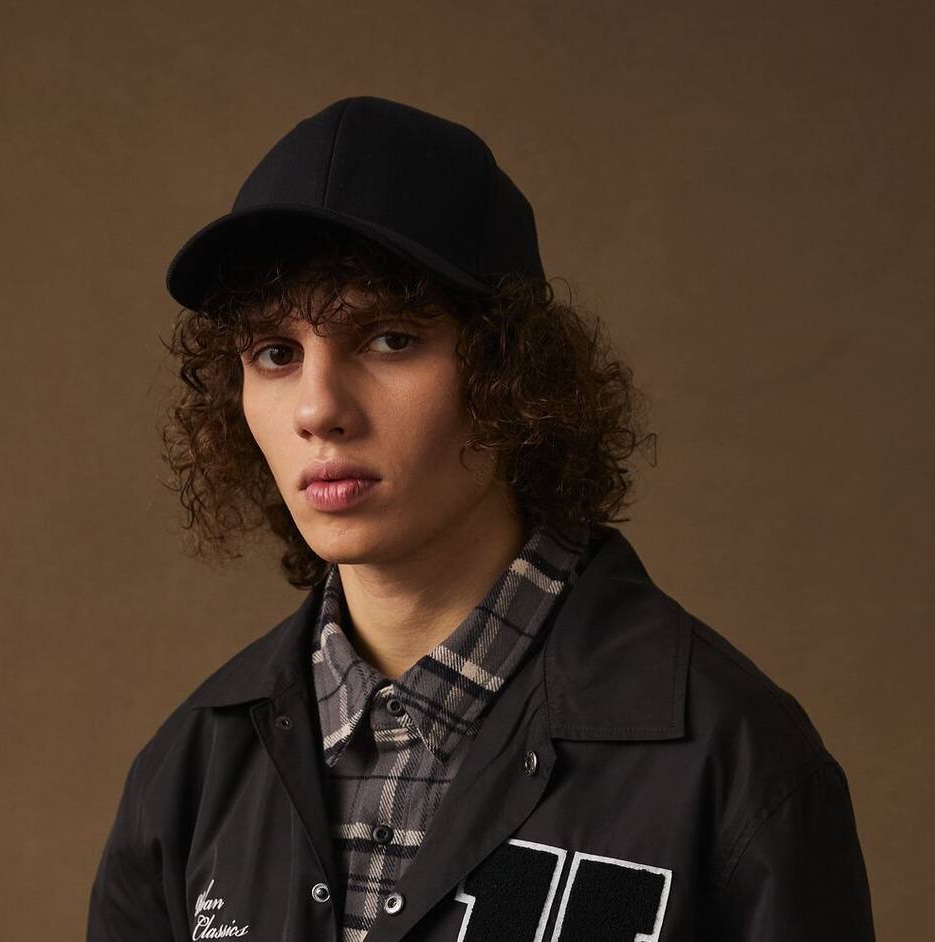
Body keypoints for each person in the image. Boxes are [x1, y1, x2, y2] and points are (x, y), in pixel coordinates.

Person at [86, 96, 876, 941]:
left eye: (389, 339)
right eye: (275, 354)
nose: (317, 409)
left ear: (513, 371)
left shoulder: (734, 760)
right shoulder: (189, 774)